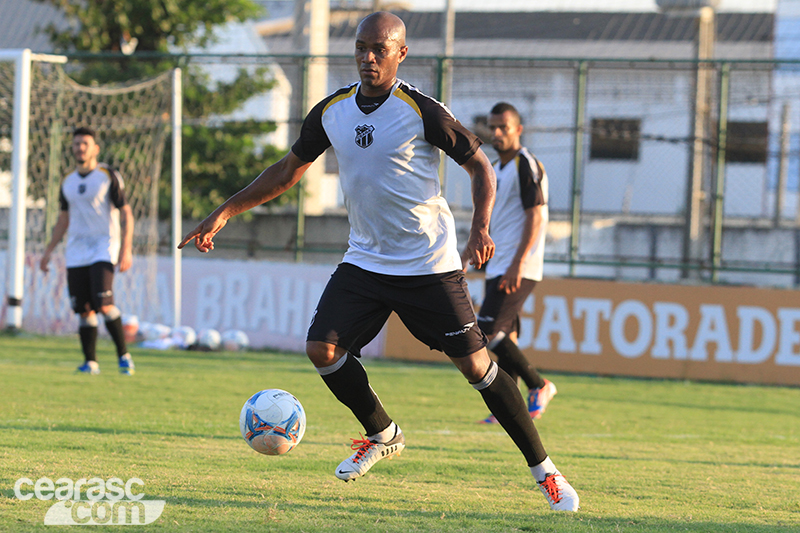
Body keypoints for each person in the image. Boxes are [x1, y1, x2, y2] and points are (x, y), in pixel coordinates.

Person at [179, 12, 579, 512]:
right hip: (365, 261)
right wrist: (225, 210)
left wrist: (480, 225)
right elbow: (288, 170)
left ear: (401, 54)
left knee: (478, 366)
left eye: (380, 50)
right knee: (322, 350)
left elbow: (480, 166)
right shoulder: (332, 111)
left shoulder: (421, 110)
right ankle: (383, 433)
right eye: (362, 48)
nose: (369, 58)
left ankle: (547, 474)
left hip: (427, 264)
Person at [466, 103, 557, 425]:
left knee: (487, 332)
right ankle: (509, 409)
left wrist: (518, 262)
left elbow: (537, 217)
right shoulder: (494, 167)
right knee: (508, 337)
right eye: (492, 127)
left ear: (518, 129)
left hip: (519, 265)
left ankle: (539, 385)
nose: (497, 133)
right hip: (498, 263)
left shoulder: (524, 164)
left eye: (504, 127)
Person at [40, 127, 135, 376]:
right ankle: (90, 363)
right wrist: (49, 250)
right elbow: (63, 219)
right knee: (84, 308)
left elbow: (126, 212)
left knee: (104, 304)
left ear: (95, 149)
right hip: (76, 250)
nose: (80, 148)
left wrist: (126, 249)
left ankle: (124, 356)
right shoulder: (68, 182)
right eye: (76, 144)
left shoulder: (107, 176)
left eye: (85, 143)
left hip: (103, 246)